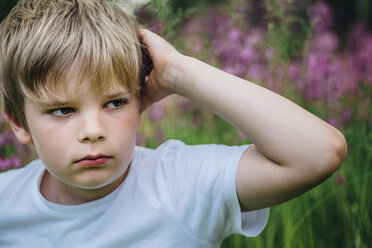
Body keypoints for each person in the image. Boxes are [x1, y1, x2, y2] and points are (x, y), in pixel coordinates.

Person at [0, 0, 347, 247]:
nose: (93, 131)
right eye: (62, 110)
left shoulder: (180, 184)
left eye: (116, 102)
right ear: (19, 122)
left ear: (140, 103)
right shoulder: (6, 206)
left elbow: (319, 152)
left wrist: (179, 71)